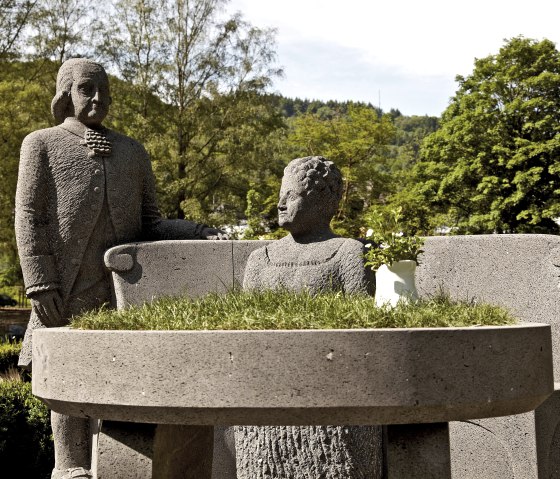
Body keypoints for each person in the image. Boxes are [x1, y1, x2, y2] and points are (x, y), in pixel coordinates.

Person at [15, 58, 225, 479]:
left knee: (117, 375)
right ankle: (69, 465)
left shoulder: (132, 151)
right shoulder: (41, 144)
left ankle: (114, 464)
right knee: (66, 375)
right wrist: (39, 281)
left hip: (121, 288)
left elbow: (152, 224)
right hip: (65, 284)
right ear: (66, 96)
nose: (98, 98)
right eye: (86, 89)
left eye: (103, 90)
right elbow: (28, 214)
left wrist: (196, 231)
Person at [236, 156, 382, 478]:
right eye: (280, 195)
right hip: (268, 399)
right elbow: (246, 333)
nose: (280, 204)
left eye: (291, 196)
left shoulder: (347, 252)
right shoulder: (260, 259)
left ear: (320, 200)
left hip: (334, 399)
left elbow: (360, 330)